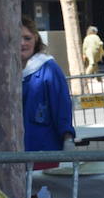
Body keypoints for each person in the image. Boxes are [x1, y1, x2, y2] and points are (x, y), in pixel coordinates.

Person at [22, 16, 75, 167]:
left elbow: (62, 106)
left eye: (27, 38)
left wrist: (67, 138)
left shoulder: (48, 68)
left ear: (36, 39)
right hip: (13, 153)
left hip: (44, 148)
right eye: (17, 38)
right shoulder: (2, 72)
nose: (22, 43)